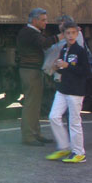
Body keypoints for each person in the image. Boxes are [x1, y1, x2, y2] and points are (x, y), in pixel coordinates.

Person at [45, 20, 89, 163]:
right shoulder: (64, 49)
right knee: (53, 116)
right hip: (63, 89)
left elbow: (85, 71)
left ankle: (79, 152)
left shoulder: (80, 51)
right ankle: (64, 147)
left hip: (75, 91)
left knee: (74, 122)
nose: (70, 36)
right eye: (68, 33)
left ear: (77, 33)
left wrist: (67, 66)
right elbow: (66, 68)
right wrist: (58, 67)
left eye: (73, 33)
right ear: (63, 34)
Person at [16, 8, 60, 146]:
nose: (46, 23)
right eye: (43, 20)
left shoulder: (31, 32)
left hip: (33, 71)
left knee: (35, 104)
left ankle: (36, 133)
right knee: (31, 104)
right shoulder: (29, 33)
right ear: (34, 21)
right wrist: (61, 36)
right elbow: (44, 43)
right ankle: (28, 136)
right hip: (30, 72)